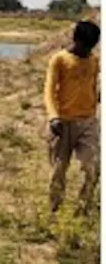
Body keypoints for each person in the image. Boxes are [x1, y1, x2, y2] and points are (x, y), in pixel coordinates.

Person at [43, 20, 101, 217]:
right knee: (59, 170)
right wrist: (53, 117)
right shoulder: (59, 60)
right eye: (85, 45)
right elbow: (49, 91)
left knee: (92, 166)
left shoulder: (94, 61)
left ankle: (83, 210)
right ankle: (54, 210)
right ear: (75, 40)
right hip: (62, 123)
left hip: (88, 122)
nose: (87, 50)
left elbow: (93, 88)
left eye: (91, 47)